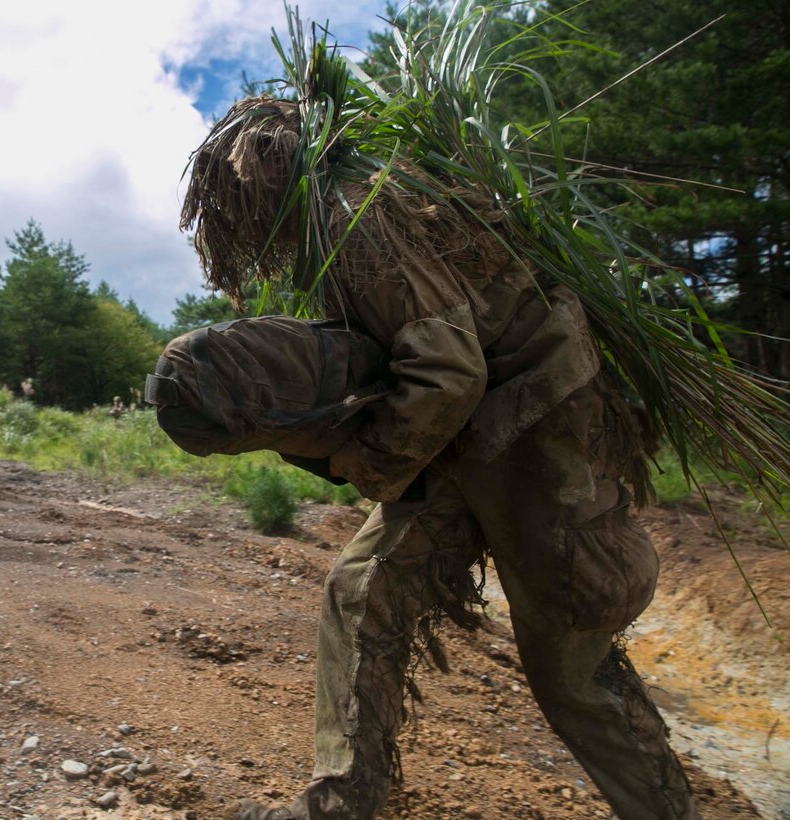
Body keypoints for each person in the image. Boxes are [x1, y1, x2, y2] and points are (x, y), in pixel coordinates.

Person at [179, 97, 700, 820]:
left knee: (569, 660)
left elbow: (449, 372)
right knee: (364, 590)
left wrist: (372, 463)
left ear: (268, 167)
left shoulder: (358, 215)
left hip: (538, 431)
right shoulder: (339, 224)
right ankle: (337, 807)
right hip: (466, 434)